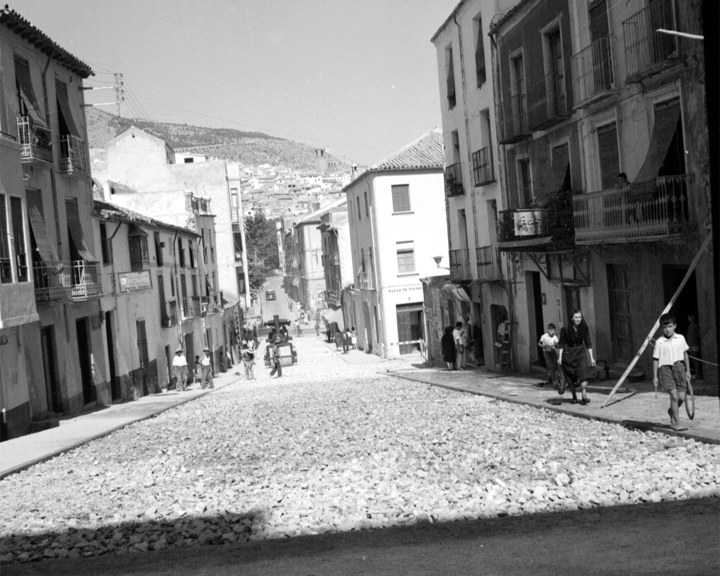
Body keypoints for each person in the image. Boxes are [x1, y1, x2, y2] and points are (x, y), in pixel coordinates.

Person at [653, 313, 692, 431]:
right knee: (674, 396)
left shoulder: (680, 338)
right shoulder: (659, 342)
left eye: (669, 326)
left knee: (681, 397)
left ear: (674, 326)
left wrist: (688, 370)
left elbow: (685, 355)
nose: (667, 329)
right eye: (664, 327)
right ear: (661, 328)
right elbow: (655, 359)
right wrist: (655, 376)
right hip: (666, 370)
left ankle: (671, 411)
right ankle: (677, 423)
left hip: (680, 368)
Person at [558, 310, 596, 404]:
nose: (578, 319)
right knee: (570, 375)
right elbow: (561, 344)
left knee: (584, 373)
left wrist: (591, 357)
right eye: (576, 317)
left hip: (580, 351)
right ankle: (574, 396)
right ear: (572, 318)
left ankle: (584, 396)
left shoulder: (584, 328)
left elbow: (588, 343)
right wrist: (560, 357)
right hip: (568, 352)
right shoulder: (565, 329)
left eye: (579, 317)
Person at [538, 323, 559, 388]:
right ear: (548, 330)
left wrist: (556, 345)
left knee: (556, 365)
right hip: (546, 352)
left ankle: (550, 377)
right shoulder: (544, 336)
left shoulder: (555, 337)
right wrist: (543, 346)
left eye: (553, 330)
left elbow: (557, 344)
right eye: (551, 330)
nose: (553, 332)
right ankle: (554, 381)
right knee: (551, 365)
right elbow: (539, 343)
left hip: (552, 351)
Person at [686, 313, 702, 380]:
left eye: (692, 317)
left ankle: (698, 374)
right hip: (690, 345)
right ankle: (696, 373)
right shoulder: (689, 326)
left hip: (695, 345)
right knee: (693, 360)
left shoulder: (696, 325)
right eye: (689, 317)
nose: (690, 318)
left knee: (696, 360)